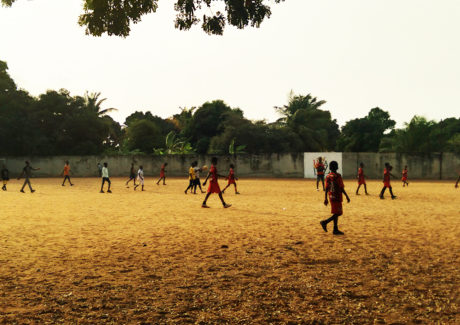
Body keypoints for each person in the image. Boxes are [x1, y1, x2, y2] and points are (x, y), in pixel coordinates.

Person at [320, 160, 350, 235]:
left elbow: (326, 188)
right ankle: (325, 222)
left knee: (335, 212)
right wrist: (347, 196)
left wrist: (325, 198)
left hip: (331, 196)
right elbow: (341, 188)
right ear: (337, 167)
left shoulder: (328, 176)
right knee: (339, 213)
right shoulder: (338, 176)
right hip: (337, 196)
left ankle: (335, 229)